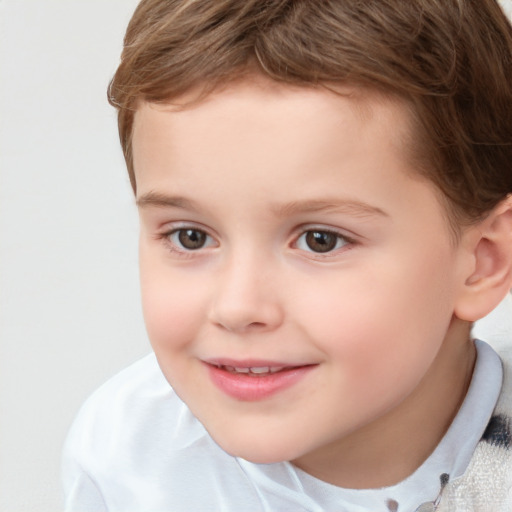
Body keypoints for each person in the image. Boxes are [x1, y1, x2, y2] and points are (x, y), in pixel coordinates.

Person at [61, 1, 512, 510]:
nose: (237, 307)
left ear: (483, 261)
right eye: (190, 236)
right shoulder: (127, 460)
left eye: (321, 240)